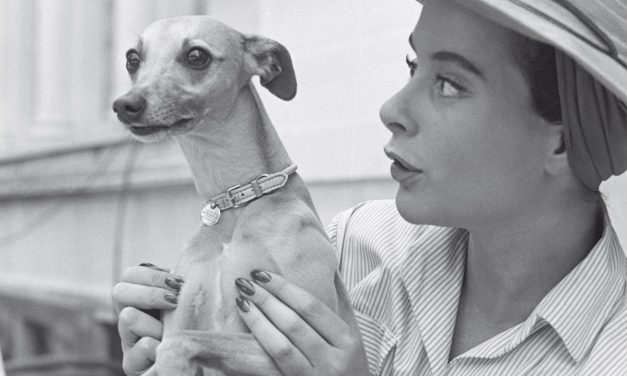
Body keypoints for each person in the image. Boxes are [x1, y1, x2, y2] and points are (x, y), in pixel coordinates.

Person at [112, 0, 627, 374]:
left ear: (564, 140)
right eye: (412, 65)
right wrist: (184, 352)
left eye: (449, 83)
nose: (391, 110)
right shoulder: (358, 244)